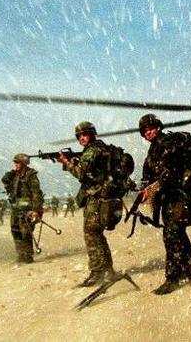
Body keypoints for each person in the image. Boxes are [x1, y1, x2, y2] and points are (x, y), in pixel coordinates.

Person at [138, 113, 191, 295]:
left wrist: (155, 185)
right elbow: (147, 177)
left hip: (181, 196)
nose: (148, 133)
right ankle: (189, 268)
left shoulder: (170, 143)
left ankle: (172, 278)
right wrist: (146, 190)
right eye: (145, 131)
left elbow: (171, 172)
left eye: (151, 128)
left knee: (171, 234)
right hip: (168, 199)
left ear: (158, 127)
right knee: (177, 232)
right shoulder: (151, 154)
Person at [58, 121, 119, 287]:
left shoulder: (92, 151)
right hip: (104, 198)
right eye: (79, 136)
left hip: (97, 198)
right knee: (97, 234)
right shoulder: (102, 148)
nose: (81, 139)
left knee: (91, 234)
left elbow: (81, 174)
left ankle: (97, 272)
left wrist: (66, 162)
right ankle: (107, 270)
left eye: (84, 135)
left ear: (92, 134)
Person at [1, 153, 44, 264]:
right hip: (16, 207)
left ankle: (28, 256)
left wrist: (36, 210)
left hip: (28, 209)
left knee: (26, 232)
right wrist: (9, 174)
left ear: (24, 163)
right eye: (15, 162)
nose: (15, 164)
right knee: (15, 231)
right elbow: (4, 181)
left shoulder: (31, 175)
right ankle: (21, 255)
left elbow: (36, 194)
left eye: (18, 162)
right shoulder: (15, 175)